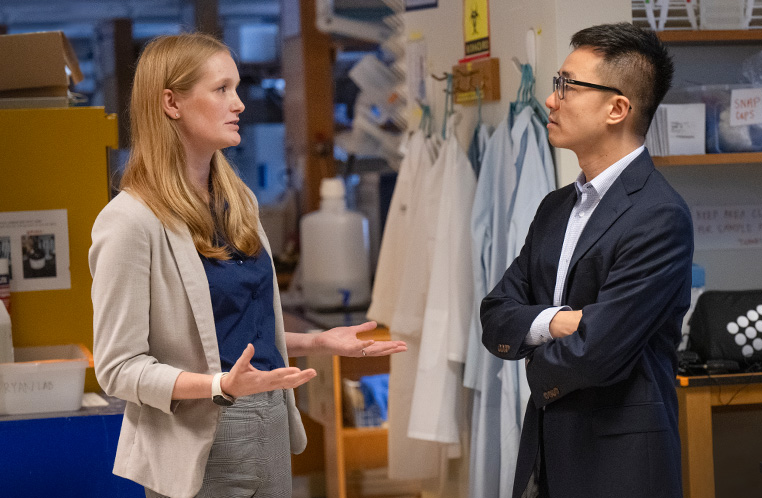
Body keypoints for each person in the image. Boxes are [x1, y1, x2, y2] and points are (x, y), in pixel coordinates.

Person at [89, 32, 406, 498]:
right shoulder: (130, 221)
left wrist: (318, 341)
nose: (239, 104)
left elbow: (238, 333)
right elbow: (118, 369)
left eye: (236, 88)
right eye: (221, 90)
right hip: (200, 442)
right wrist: (218, 384)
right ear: (171, 102)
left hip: (271, 423)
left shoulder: (239, 203)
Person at [481, 23, 692, 498]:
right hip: (544, 453)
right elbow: (495, 313)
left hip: (620, 464)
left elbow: (598, 352)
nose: (551, 100)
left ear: (617, 108)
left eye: (567, 86)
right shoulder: (556, 207)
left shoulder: (659, 215)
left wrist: (533, 351)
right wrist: (557, 323)